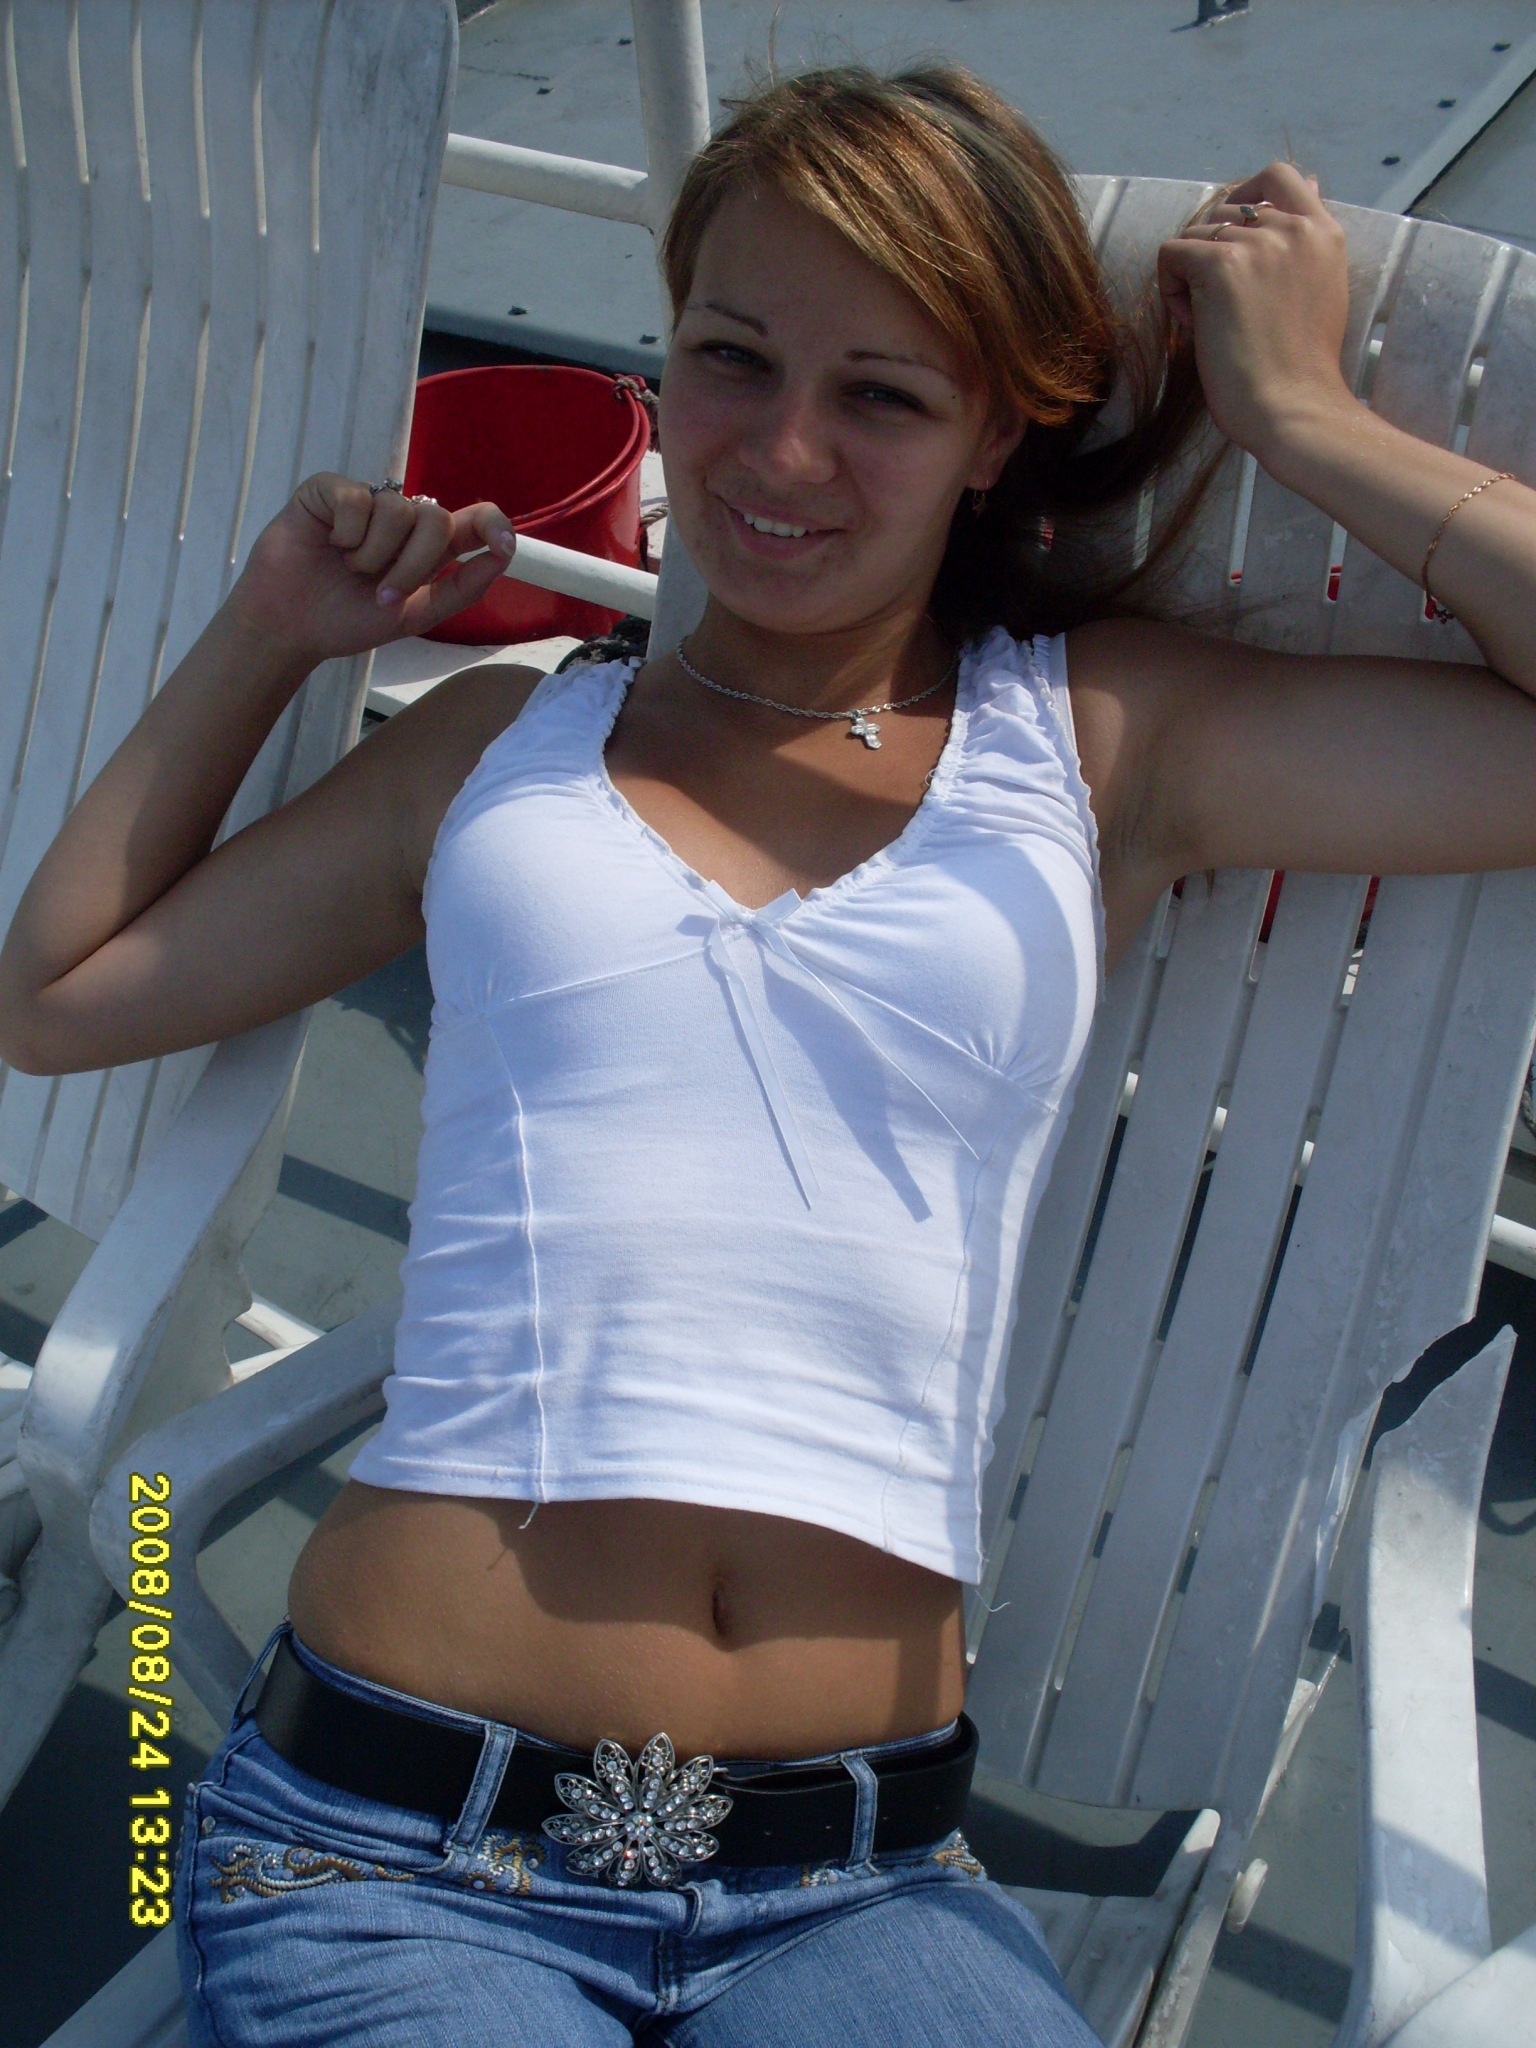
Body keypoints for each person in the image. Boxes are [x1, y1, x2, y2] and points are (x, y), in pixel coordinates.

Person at [4, 61, 1535, 2048]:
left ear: (996, 434)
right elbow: (62, 992)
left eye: (882, 396)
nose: (783, 450)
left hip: (858, 1880)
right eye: (732, 357)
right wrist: (272, 631)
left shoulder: (1097, 745)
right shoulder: (498, 749)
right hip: (396, 1839)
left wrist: (1301, 417)